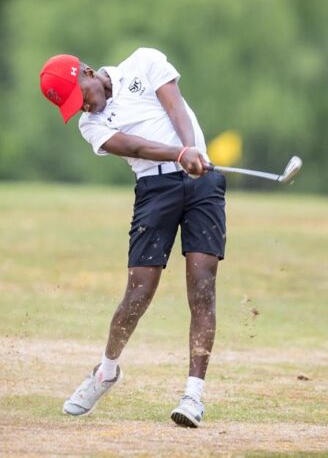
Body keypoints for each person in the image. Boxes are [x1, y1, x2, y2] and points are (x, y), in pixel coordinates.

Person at [39, 48, 227, 428]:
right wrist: (180, 154)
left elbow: (175, 108)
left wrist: (190, 151)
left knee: (202, 284)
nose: (83, 108)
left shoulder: (144, 61)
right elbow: (136, 147)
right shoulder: (89, 126)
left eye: (82, 97)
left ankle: (193, 394)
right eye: (75, 107)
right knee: (138, 292)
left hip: (201, 179)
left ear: (89, 73)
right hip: (154, 188)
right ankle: (106, 371)